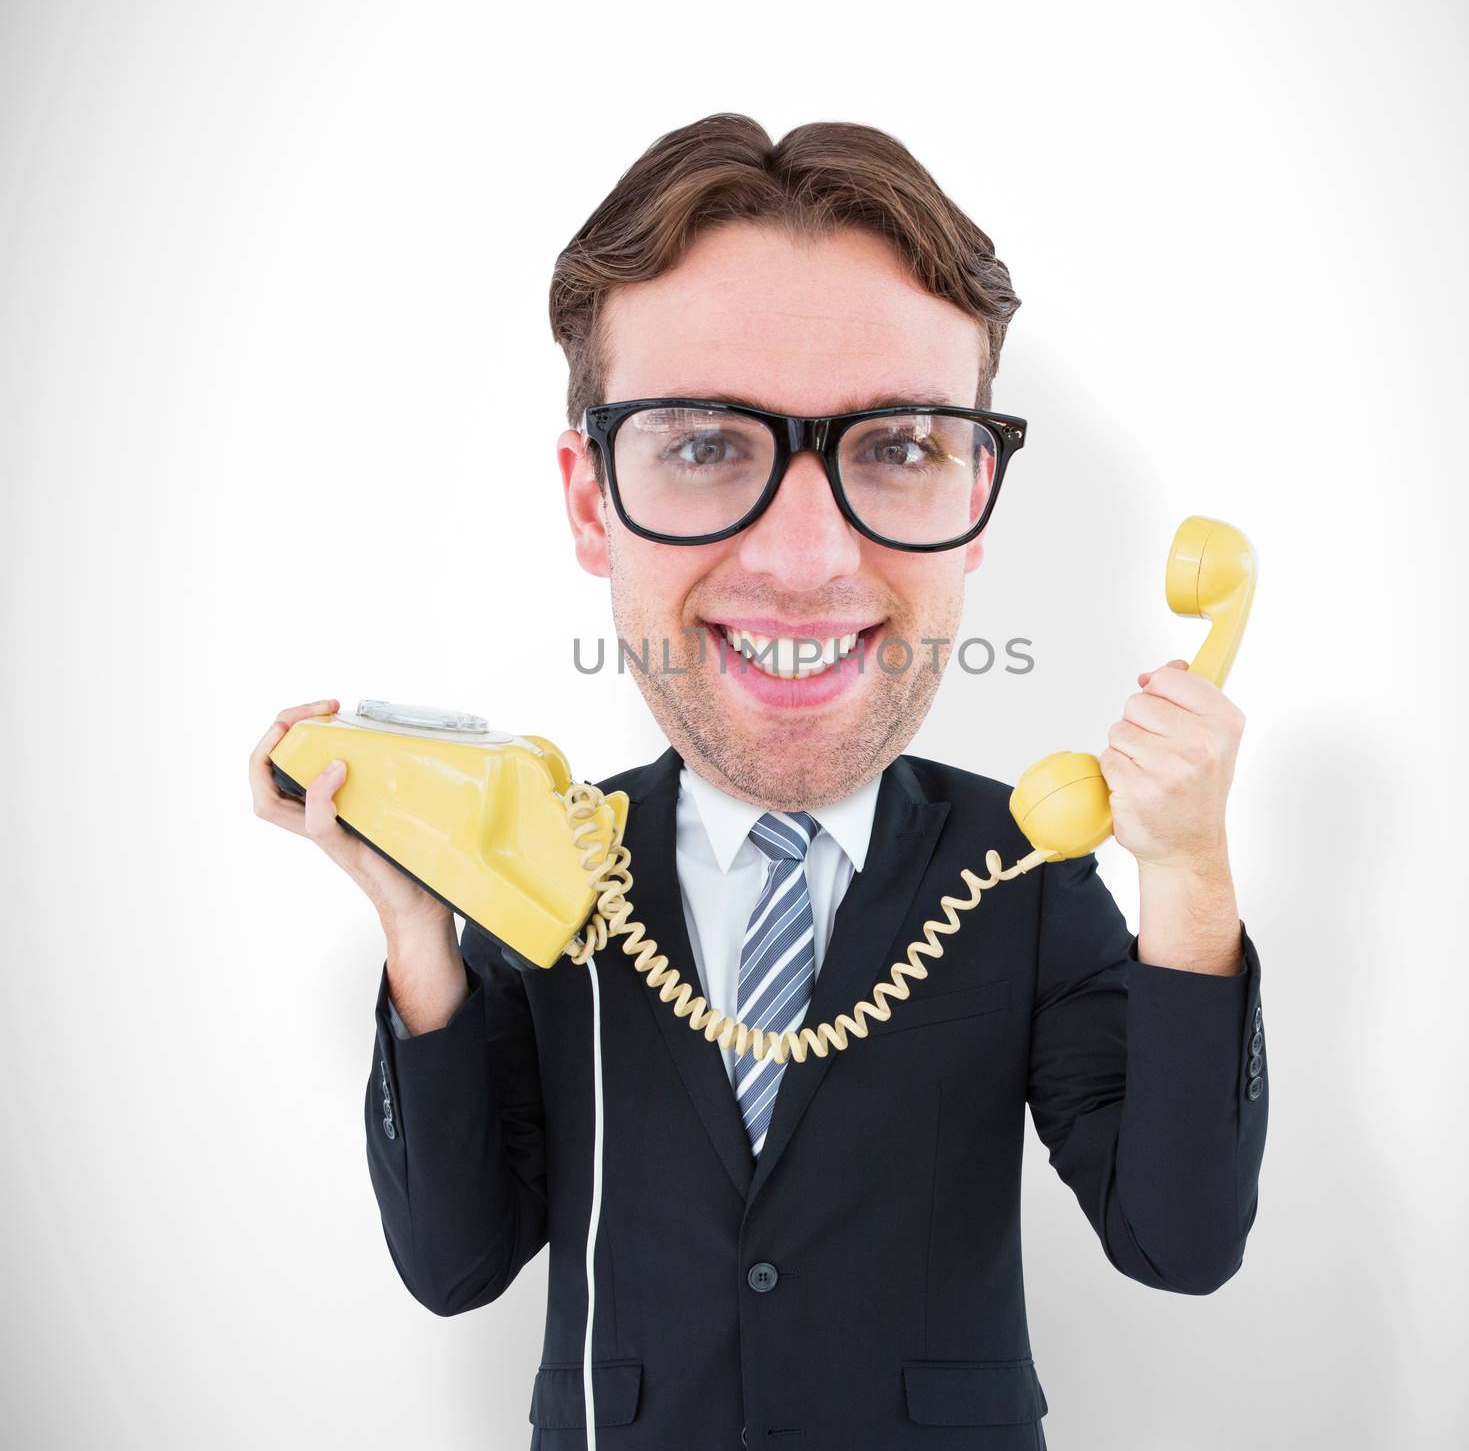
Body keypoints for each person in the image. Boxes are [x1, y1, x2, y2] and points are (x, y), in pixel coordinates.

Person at [249, 113, 1268, 1449]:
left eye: (900, 446)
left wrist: (1186, 866)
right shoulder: (550, 857)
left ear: (983, 499)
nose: (804, 560)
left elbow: (1180, 1240)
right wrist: (416, 926)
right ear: (588, 501)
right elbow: (456, 1264)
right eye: (701, 443)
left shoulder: (1020, 872)